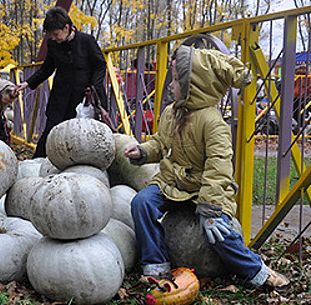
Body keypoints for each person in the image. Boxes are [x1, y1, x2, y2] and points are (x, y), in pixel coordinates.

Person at [124, 45, 289, 290]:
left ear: (196, 86)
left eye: (177, 81)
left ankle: (256, 271)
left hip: (206, 190)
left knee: (217, 232)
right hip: (173, 184)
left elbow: (218, 167)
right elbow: (161, 142)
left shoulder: (213, 122)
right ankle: (156, 265)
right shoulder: (171, 113)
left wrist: (210, 209)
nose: (170, 85)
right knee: (142, 203)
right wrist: (144, 151)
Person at [15, 6, 107, 157]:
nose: (53, 38)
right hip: (60, 97)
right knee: (50, 132)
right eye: (51, 35)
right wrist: (28, 83)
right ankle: (36, 164)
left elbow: (100, 65)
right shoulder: (53, 44)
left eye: (56, 34)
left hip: (83, 99)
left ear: (67, 27)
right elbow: (47, 68)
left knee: (80, 137)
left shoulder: (86, 41)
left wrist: (93, 87)